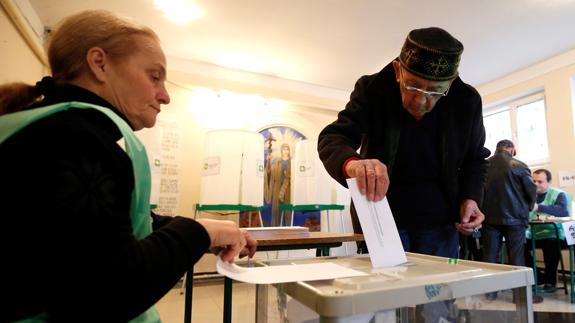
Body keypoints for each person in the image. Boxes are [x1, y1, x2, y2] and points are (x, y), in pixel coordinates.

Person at [0, 10, 256, 322]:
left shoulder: (43, 128)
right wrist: (198, 231)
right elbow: (107, 291)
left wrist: (207, 231)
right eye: (154, 76)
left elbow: (100, 230)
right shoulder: (78, 139)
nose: (165, 96)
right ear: (99, 63)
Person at [318, 27, 489, 259]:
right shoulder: (372, 90)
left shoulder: (466, 101)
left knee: (437, 292)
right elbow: (333, 138)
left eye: (435, 92)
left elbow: (475, 158)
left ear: (449, 84)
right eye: (412, 86)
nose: (421, 101)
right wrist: (354, 165)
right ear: (398, 70)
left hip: (440, 219)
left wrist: (471, 198)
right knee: (385, 292)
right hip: (381, 214)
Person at [481, 140, 538, 301]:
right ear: (511, 149)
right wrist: (529, 206)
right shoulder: (518, 165)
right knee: (516, 256)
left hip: (489, 217)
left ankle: (490, 293)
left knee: (490, 254)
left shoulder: (484, 165)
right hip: (515, 217)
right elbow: (531, 189)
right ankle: (519, 296)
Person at [525, 169, 573, 293]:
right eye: (533, 181)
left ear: (549, 182)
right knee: (517, 244)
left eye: (540, 181)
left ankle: (550, 281)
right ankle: (538, 277)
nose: (536, 184)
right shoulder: (529, 195)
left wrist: (538, 207)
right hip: (534, 233)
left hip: (555, 233)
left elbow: (562, 210)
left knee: (551, 244)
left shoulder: (559, 194)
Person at [265, 143, 291, 226]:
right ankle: (275, 228)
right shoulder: (277, 163)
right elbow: (269, 173)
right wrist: (268, 161)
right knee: (277, 210)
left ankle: (288, 230)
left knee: (287, 211)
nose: (285, 151)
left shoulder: (292, 162)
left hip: (288, 189)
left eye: (287, 149)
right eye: (284, 149)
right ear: (281, 151)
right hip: (277, 188)